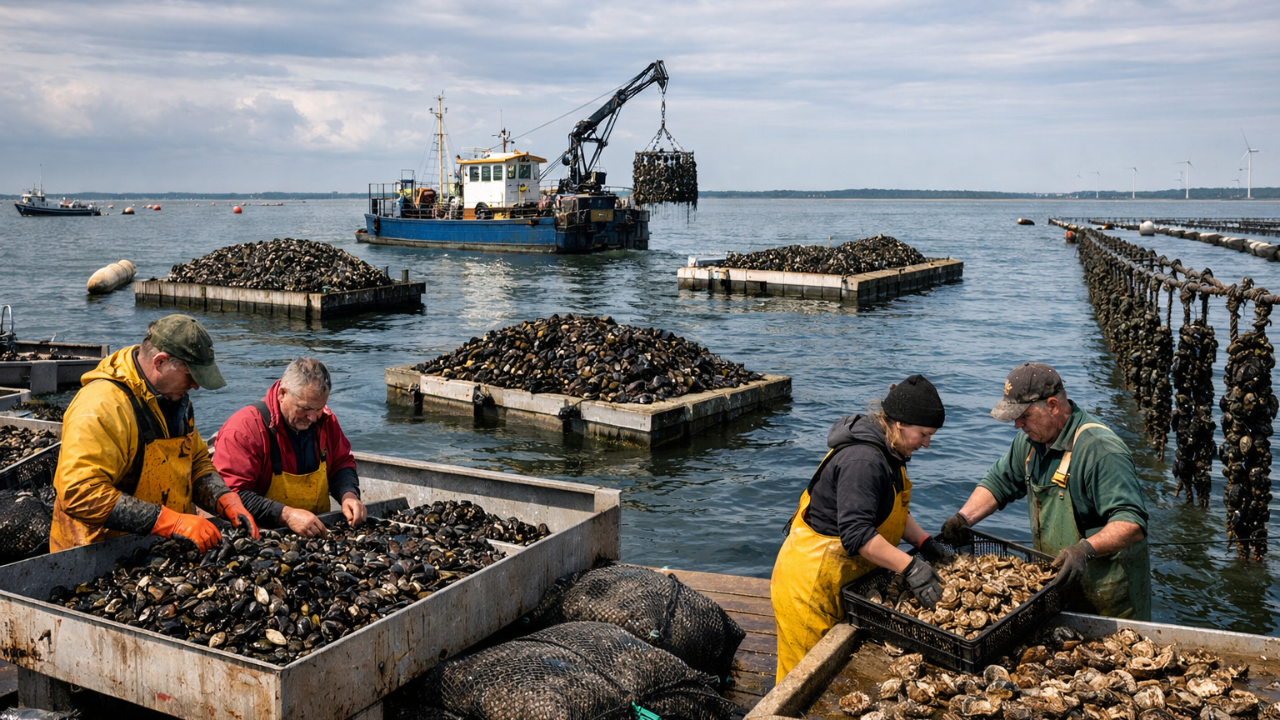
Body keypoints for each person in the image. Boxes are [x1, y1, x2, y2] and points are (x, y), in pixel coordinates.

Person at [939, 363, 1151, 620]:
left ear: (1053, 405)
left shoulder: (1100, 450)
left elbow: (1131, 523)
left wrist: (1084, 550)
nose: (1017, 424)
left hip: (1107, 596)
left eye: (1024, 415)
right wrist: (964, 518)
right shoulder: (1029, 442)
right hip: (1055, 586)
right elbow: (999, 482)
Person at [771, 375, 948, 682]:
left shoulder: (891, 450)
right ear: (899, 423)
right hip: (811, 589)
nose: (927, 443)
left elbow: (887, 510)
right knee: (801, 683)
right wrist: (911, 568)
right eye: (924, 434)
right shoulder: (864, 460)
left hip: (842, 583)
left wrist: (923, 542)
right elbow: (858, 535)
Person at [51, 315, 258, 553]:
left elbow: (196, 461)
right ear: (160, 362)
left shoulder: (174, 398)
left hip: (160, 547)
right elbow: (79, 492)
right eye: (191, 376)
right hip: (94, 553)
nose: (196, 386)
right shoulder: (101, 406)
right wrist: (171, 522)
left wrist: (223, 499)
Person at [213, 357, 365, 538]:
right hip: (259, 537)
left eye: (319, 408)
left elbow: (341, 463)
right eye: (305, 408)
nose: (312, 417)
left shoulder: (325, 420)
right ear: (282, 393)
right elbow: (231, 497)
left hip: (317, 533)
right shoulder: (243, 430)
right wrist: (286, 515)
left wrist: (348, 494)